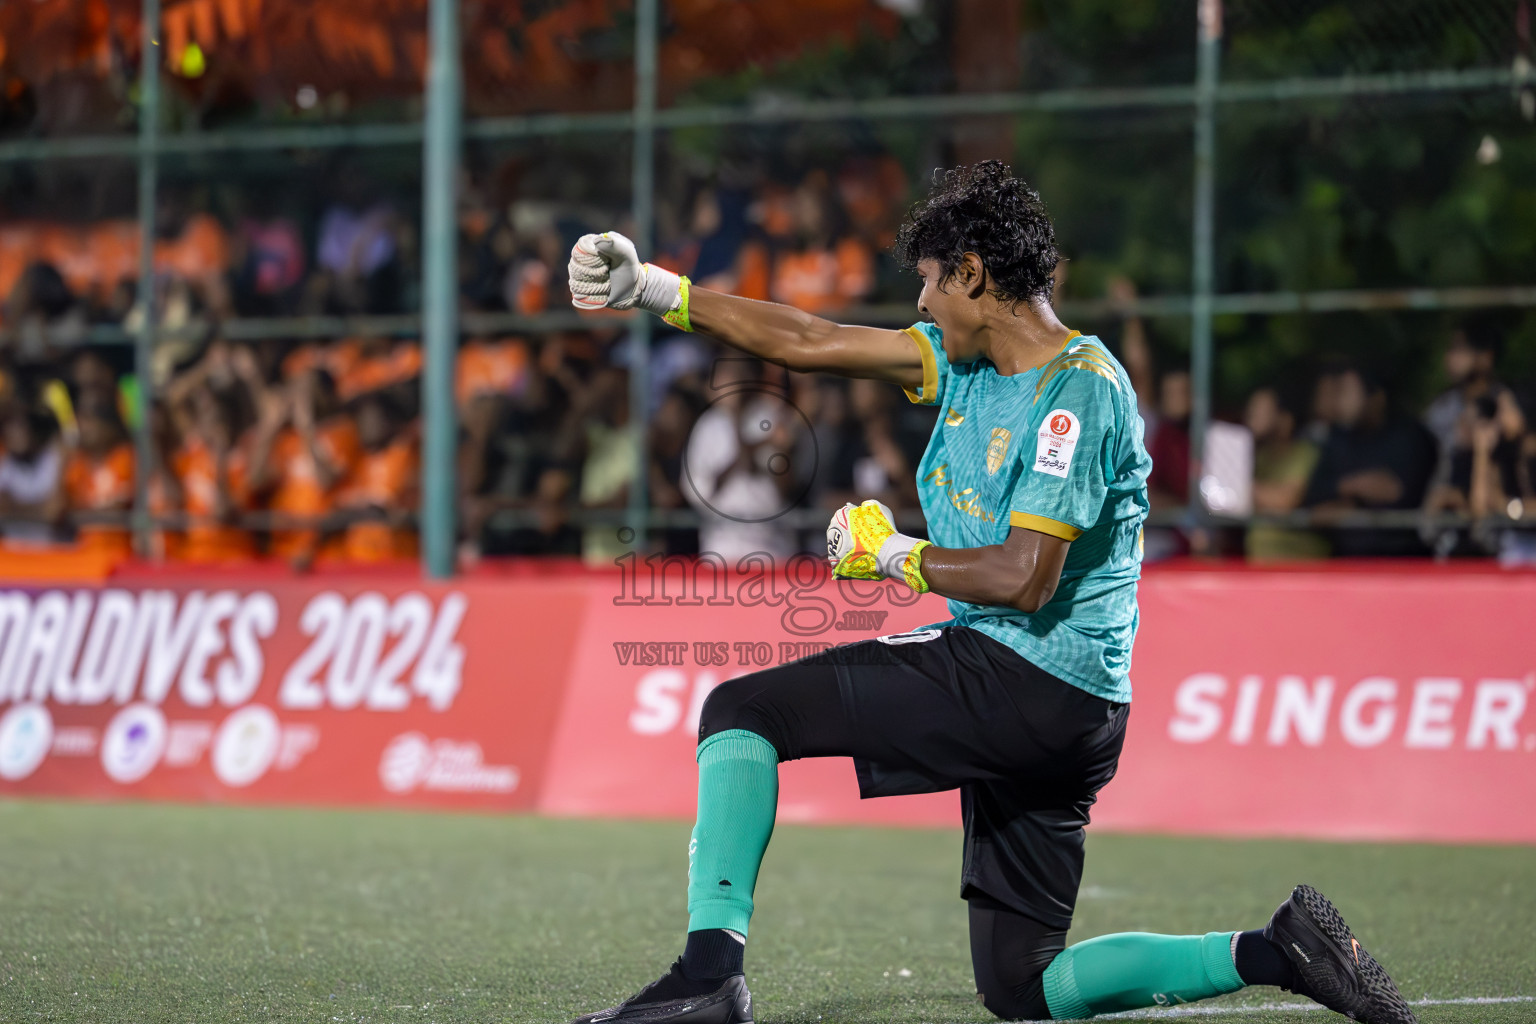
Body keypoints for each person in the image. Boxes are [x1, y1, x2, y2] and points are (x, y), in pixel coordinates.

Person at [566, 161, 1416, 1024]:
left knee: (742, 711)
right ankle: (1281, 948)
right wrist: (655, 288)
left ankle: (709, 978)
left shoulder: (1077, 390)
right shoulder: (960, 363)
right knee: (1024, 989)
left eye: (932, 282)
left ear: (973, 274)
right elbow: (807, 340)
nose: (923, 303)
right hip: (1070, 709)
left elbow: (1022, 577)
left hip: (1026, 679)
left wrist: (894, 554)